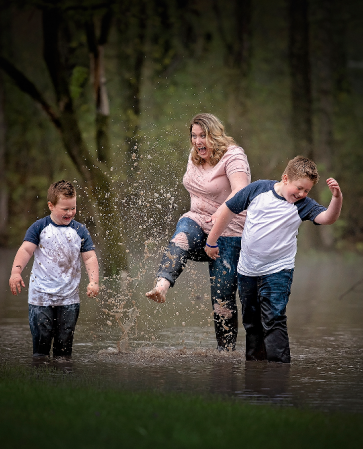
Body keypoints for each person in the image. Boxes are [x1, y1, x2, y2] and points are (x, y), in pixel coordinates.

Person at [204, 156, 343, 363]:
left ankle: (278, 372)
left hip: (278, 270)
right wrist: (211, 241)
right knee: (251, 322)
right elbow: (229, 209)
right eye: (299, 188)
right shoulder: (258, 190)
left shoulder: (303, 205)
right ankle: (255, 369)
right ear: (285, 178)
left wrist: (337, 198)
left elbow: (327, 218)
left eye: (307, 191)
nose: (302, 194)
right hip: (247, 270)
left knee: (274, 319)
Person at [146, 113, 251, 351]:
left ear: (215, 134)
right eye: (193, 136)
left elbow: (241, 191)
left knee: (221, 299)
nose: (197, 141)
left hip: (229, 231)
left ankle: (226, 354)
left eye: (203, 135)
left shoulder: (233, 156)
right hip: (198, 223)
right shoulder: (194, 156)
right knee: (182, 234)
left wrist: (221, 213)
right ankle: (162, 285)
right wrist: (206, 217)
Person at [9, 180, 100, 359]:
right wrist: (16, 272)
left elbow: (89, 257)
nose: (70, 213)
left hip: (69, 298)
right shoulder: (39, 227)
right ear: (51, 206)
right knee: (41, 347)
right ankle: (40, 377)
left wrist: (94, 281)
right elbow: (26, 250)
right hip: (40, 298)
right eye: (65, 209)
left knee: (64, 349)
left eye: (73, 208)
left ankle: (63, 378)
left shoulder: (80, 230)